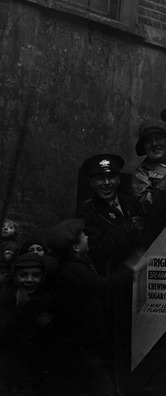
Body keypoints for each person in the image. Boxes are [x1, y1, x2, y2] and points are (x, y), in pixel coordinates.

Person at [46, 219, 129, 396]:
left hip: (78, 344)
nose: (87, 237)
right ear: (75, 248)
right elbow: (105, 284)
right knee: (104, 389)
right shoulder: (74, 270)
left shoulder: (72, 266)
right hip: (80, 346)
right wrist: (132, 266)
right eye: (83, 235)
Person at [76, 154, 143, 274]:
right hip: (112, 277)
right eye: (100, 178)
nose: (106, 182)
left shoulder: (133, 202)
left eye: (110, 177)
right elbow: (97, 250)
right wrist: (126, 227)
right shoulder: (87, 212)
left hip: (141, 271)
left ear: (118, 180)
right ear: (91, 182)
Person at [0, 253, 56, 396]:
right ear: (15, 276)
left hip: (35, 367)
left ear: (42, 277)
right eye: (23, 275)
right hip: (7, 365)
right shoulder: (6, 298)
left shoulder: (47, 299)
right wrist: (19, 308)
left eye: (35, 275)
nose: (29, 280)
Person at [132, 119, 166, 232]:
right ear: (144, 147)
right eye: (148, 141)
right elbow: (145, 206)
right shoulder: (141, 174)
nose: (155, 144)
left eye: (158, 138)